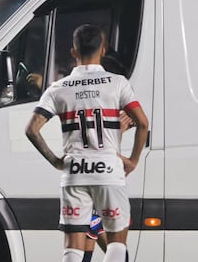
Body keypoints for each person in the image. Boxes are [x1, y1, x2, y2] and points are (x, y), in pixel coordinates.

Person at [25, 24, 150, 262]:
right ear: (103, 50)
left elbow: (31, 129)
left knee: (73, 247)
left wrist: (56, 161)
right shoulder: (118, 83)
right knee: (116, 241)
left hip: (75, 173)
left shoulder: (58, 88)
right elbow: (143, 123)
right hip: (108, 172)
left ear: (73, 51)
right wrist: (133, 161)